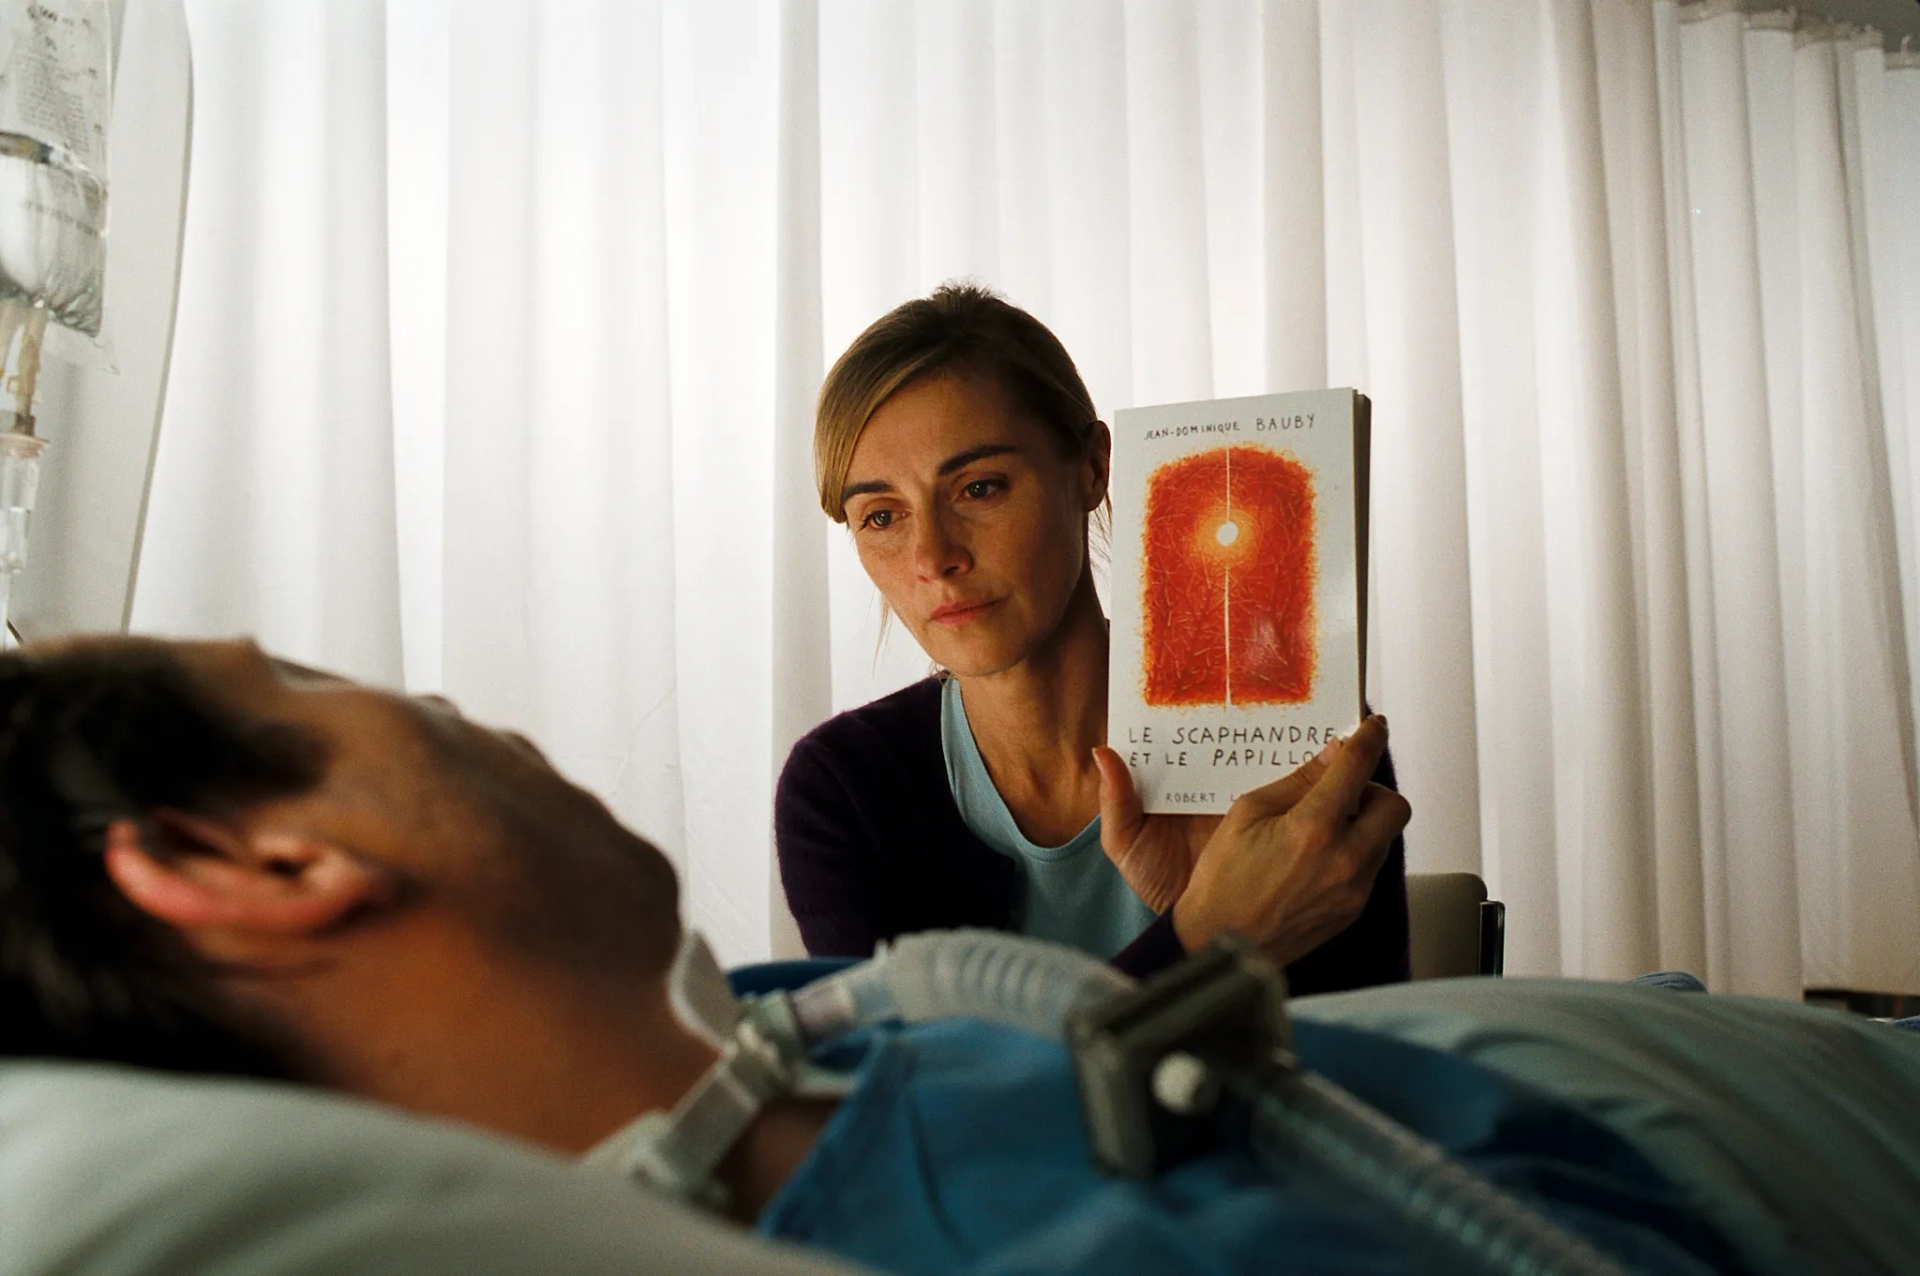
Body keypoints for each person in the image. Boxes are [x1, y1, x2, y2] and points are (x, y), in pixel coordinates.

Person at [8, 635, 1920, 1274]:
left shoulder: (753, 1045)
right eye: (337, 689)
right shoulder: (997, 1216)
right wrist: (1204, 938)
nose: (439, 701)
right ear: (245, 861)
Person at [776, 283, 1409, 986]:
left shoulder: (1298, 748)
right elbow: (927, 1092)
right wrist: (1205, 938)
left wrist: (1210, 916)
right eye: (882, 517)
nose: (933, 559)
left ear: (1093, 468)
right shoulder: (845, 792)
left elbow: (1358, 1070)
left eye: (979, 488)